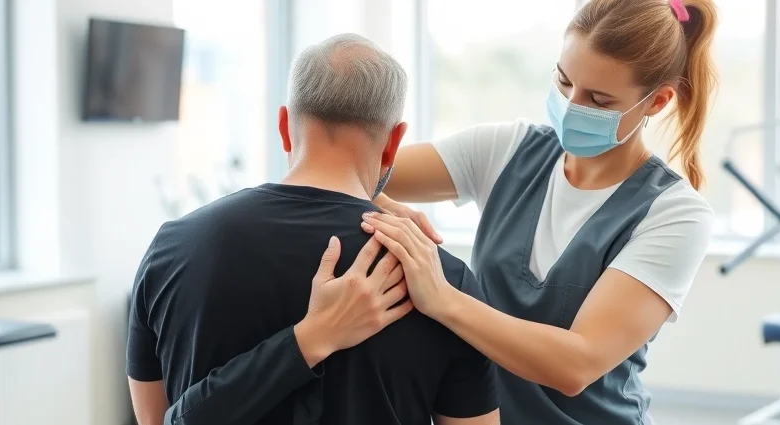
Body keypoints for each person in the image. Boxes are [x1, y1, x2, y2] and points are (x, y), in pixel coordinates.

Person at [359, 0, 717, 424]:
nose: (571, 105)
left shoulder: (674, 214)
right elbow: (350, 165)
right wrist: (386, 205)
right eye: (564, 81)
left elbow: (576, 364)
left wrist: (442, 298)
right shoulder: (507, 150)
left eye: (599, 100)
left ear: (656, 102)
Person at [126, 33, 500, 425]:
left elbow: (153, 419)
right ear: (393, 144)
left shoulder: (172, 247)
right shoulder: (441, 280)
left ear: (284, 125)